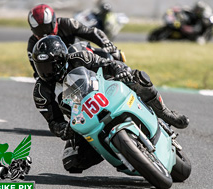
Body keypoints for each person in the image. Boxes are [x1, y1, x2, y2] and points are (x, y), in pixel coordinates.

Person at [32, 35, 189, 173]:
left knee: (138, 78)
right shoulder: (41, 91)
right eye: (41, 67)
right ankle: (119, 154)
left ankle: (166, 114)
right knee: (72, 162)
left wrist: (121, 71)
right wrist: (64, 130)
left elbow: (108, 64)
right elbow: (53, 122)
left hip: (107, 92)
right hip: (83, 120)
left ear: (61, 58)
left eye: (50, 65)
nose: (46, 72)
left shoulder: (79, 58)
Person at [27, 4, 121, 78]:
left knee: (112, 55)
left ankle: (123, 76)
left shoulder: (66, 24)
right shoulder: (33, 44)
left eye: (46, 28)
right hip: (58, 74)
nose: (44, 34)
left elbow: (91, 32)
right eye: (39, 31)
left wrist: (106, 44)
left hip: (80, 59)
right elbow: (37, 72)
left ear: (53, 22)